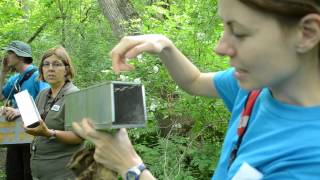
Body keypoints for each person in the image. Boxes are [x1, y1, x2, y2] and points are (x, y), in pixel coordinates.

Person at [74, 0, 320, 179]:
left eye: (240, 32)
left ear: (307, 33)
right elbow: (194, 81)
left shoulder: (310, 159)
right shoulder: (255, 87)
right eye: (224, 26)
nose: (220, 47)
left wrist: (131, 166)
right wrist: (164, 45)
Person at [24, 46, 83, 180]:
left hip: (64, 173)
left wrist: (49, 133)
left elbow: (79, 137)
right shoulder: (43, 94)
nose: (50, 68)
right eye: (46, 64)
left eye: (57, 64)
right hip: (39, 172)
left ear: (67, 70)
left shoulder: (74, 95)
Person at [0, 40, 49, 180]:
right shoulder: (15, 79)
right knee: (13, 174)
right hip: (15, 135)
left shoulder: (38, 75)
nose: (6, 56)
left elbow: (46, 100)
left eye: (10, 52)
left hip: (33, 135)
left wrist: (18, 111)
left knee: (29, 174)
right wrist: (3, 72)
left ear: (20, 56)